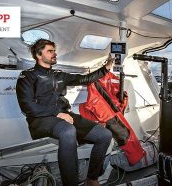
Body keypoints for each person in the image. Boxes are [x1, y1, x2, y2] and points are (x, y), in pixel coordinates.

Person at [16, 39, 113, 186]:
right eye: (50, 51)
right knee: (68, 131)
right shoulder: (27, 75)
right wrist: (57, 113)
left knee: (105, 135)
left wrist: (105, 68)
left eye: (54, 51)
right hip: (40, 118)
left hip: (64, 115)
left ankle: (92, 179)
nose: (54, 54)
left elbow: (85, 79)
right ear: (38, 54)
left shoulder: (59, 74)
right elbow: (27, 106)